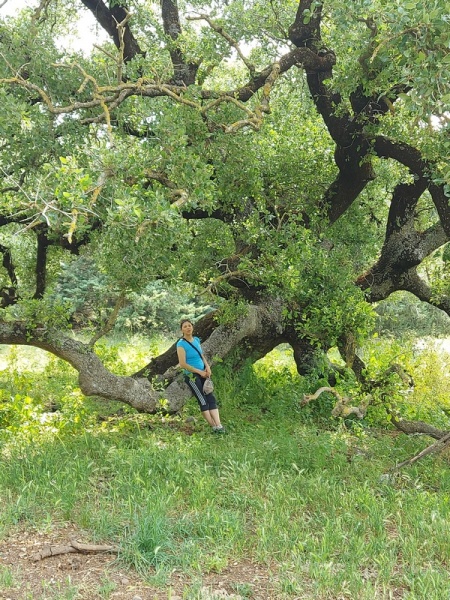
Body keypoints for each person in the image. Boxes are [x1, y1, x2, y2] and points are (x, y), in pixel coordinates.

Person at [176, 319, 226, 434]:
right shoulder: (181, 344)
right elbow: (183, 364)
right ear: (182, 330)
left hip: (204, 373)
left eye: (189, 325)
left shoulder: (196, 340)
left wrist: (207, 367)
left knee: (211, 399)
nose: (188, 328)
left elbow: (201, 355)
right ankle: (214, 427)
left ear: (192, 327)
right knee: (203, 401)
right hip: (192, 376)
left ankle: (219, 426)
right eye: (185, 326)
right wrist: (199, 372)